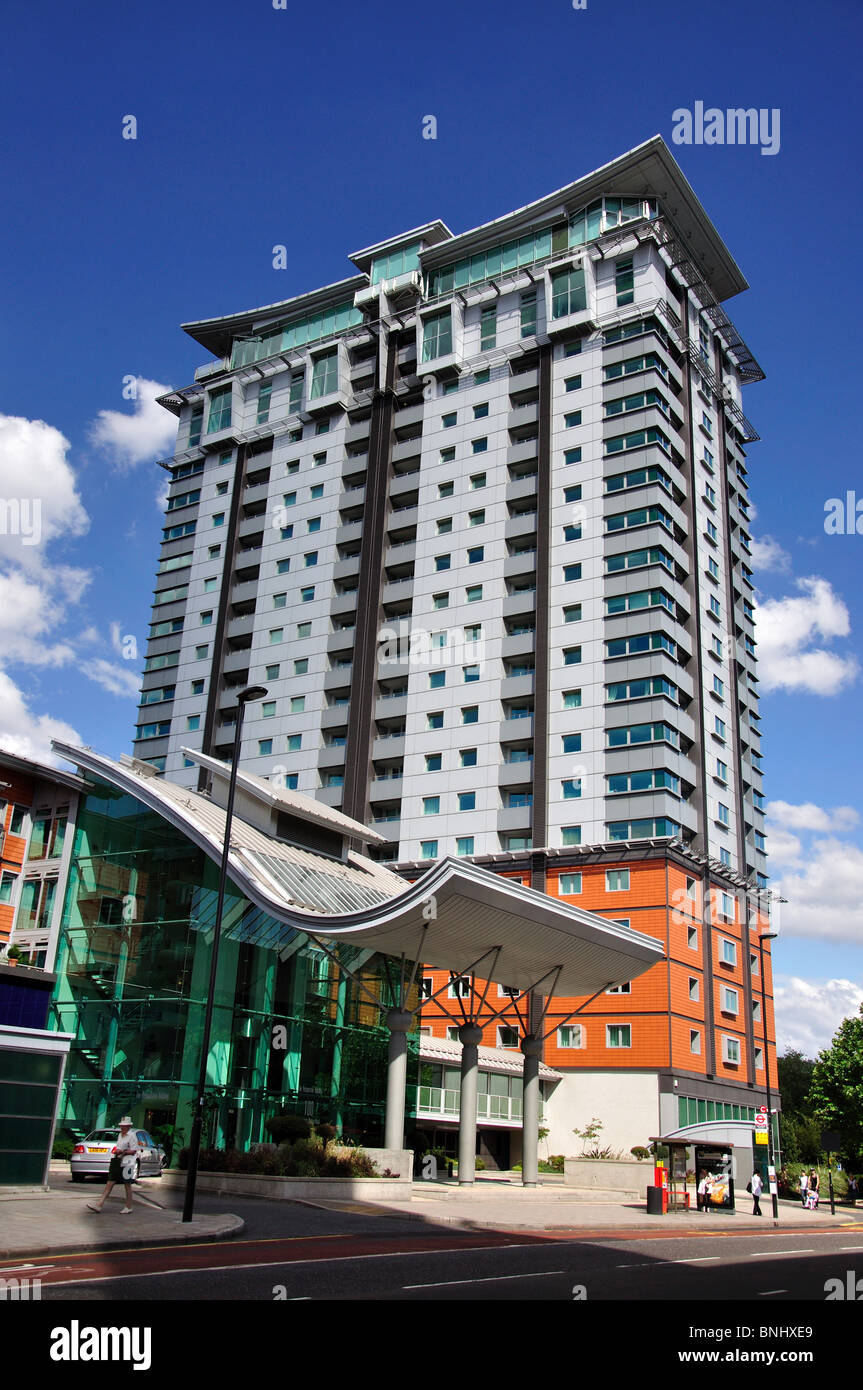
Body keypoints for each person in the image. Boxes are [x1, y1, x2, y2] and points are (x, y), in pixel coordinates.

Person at [87, 1117, 140, 1215]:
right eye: (121, 1126)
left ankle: (128, 1206)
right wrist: (117, 1151)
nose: (122, 1128)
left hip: (128, 1163)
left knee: (127, 1184)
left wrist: (123, 1152)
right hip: (117, 1160)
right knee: (110, 1182)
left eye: (124, 1126)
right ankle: (99, 1204)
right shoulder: (120, 1135)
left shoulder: (132, 1136)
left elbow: (133, 1151)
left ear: (128, 1126)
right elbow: (118, 1147)